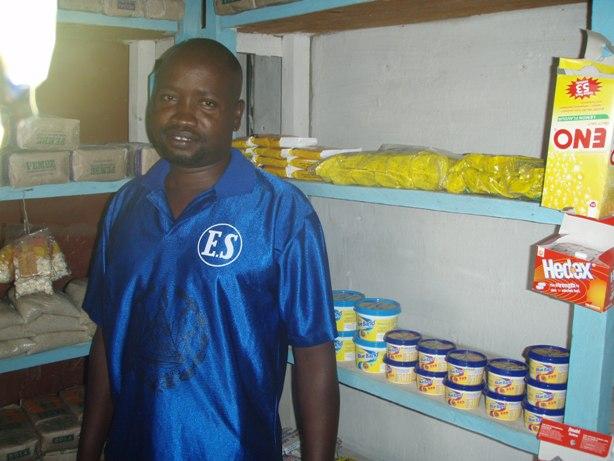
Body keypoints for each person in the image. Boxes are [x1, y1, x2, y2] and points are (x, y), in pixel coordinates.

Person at [77, 38, 340, 461]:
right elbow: (109, 335)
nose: (183, 115)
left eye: (207, 103)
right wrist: (88, 450)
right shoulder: (125, 206)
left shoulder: (281, 213)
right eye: (169, 97)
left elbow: (313, 354)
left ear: (235, 115)